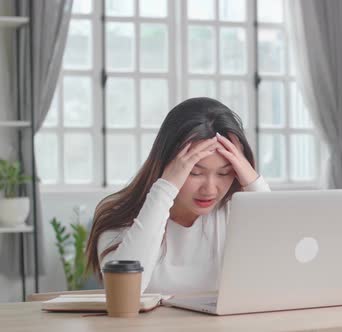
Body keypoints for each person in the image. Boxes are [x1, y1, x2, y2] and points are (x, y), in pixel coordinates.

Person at [85, 97, 270, 294]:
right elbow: (124, 293)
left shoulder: (235, 211)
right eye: (194, 172)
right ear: (167, 165)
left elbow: (278, 267)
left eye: (224, 173)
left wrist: (253, 182)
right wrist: (165, 187)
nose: (210, 189)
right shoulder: (116, 216)